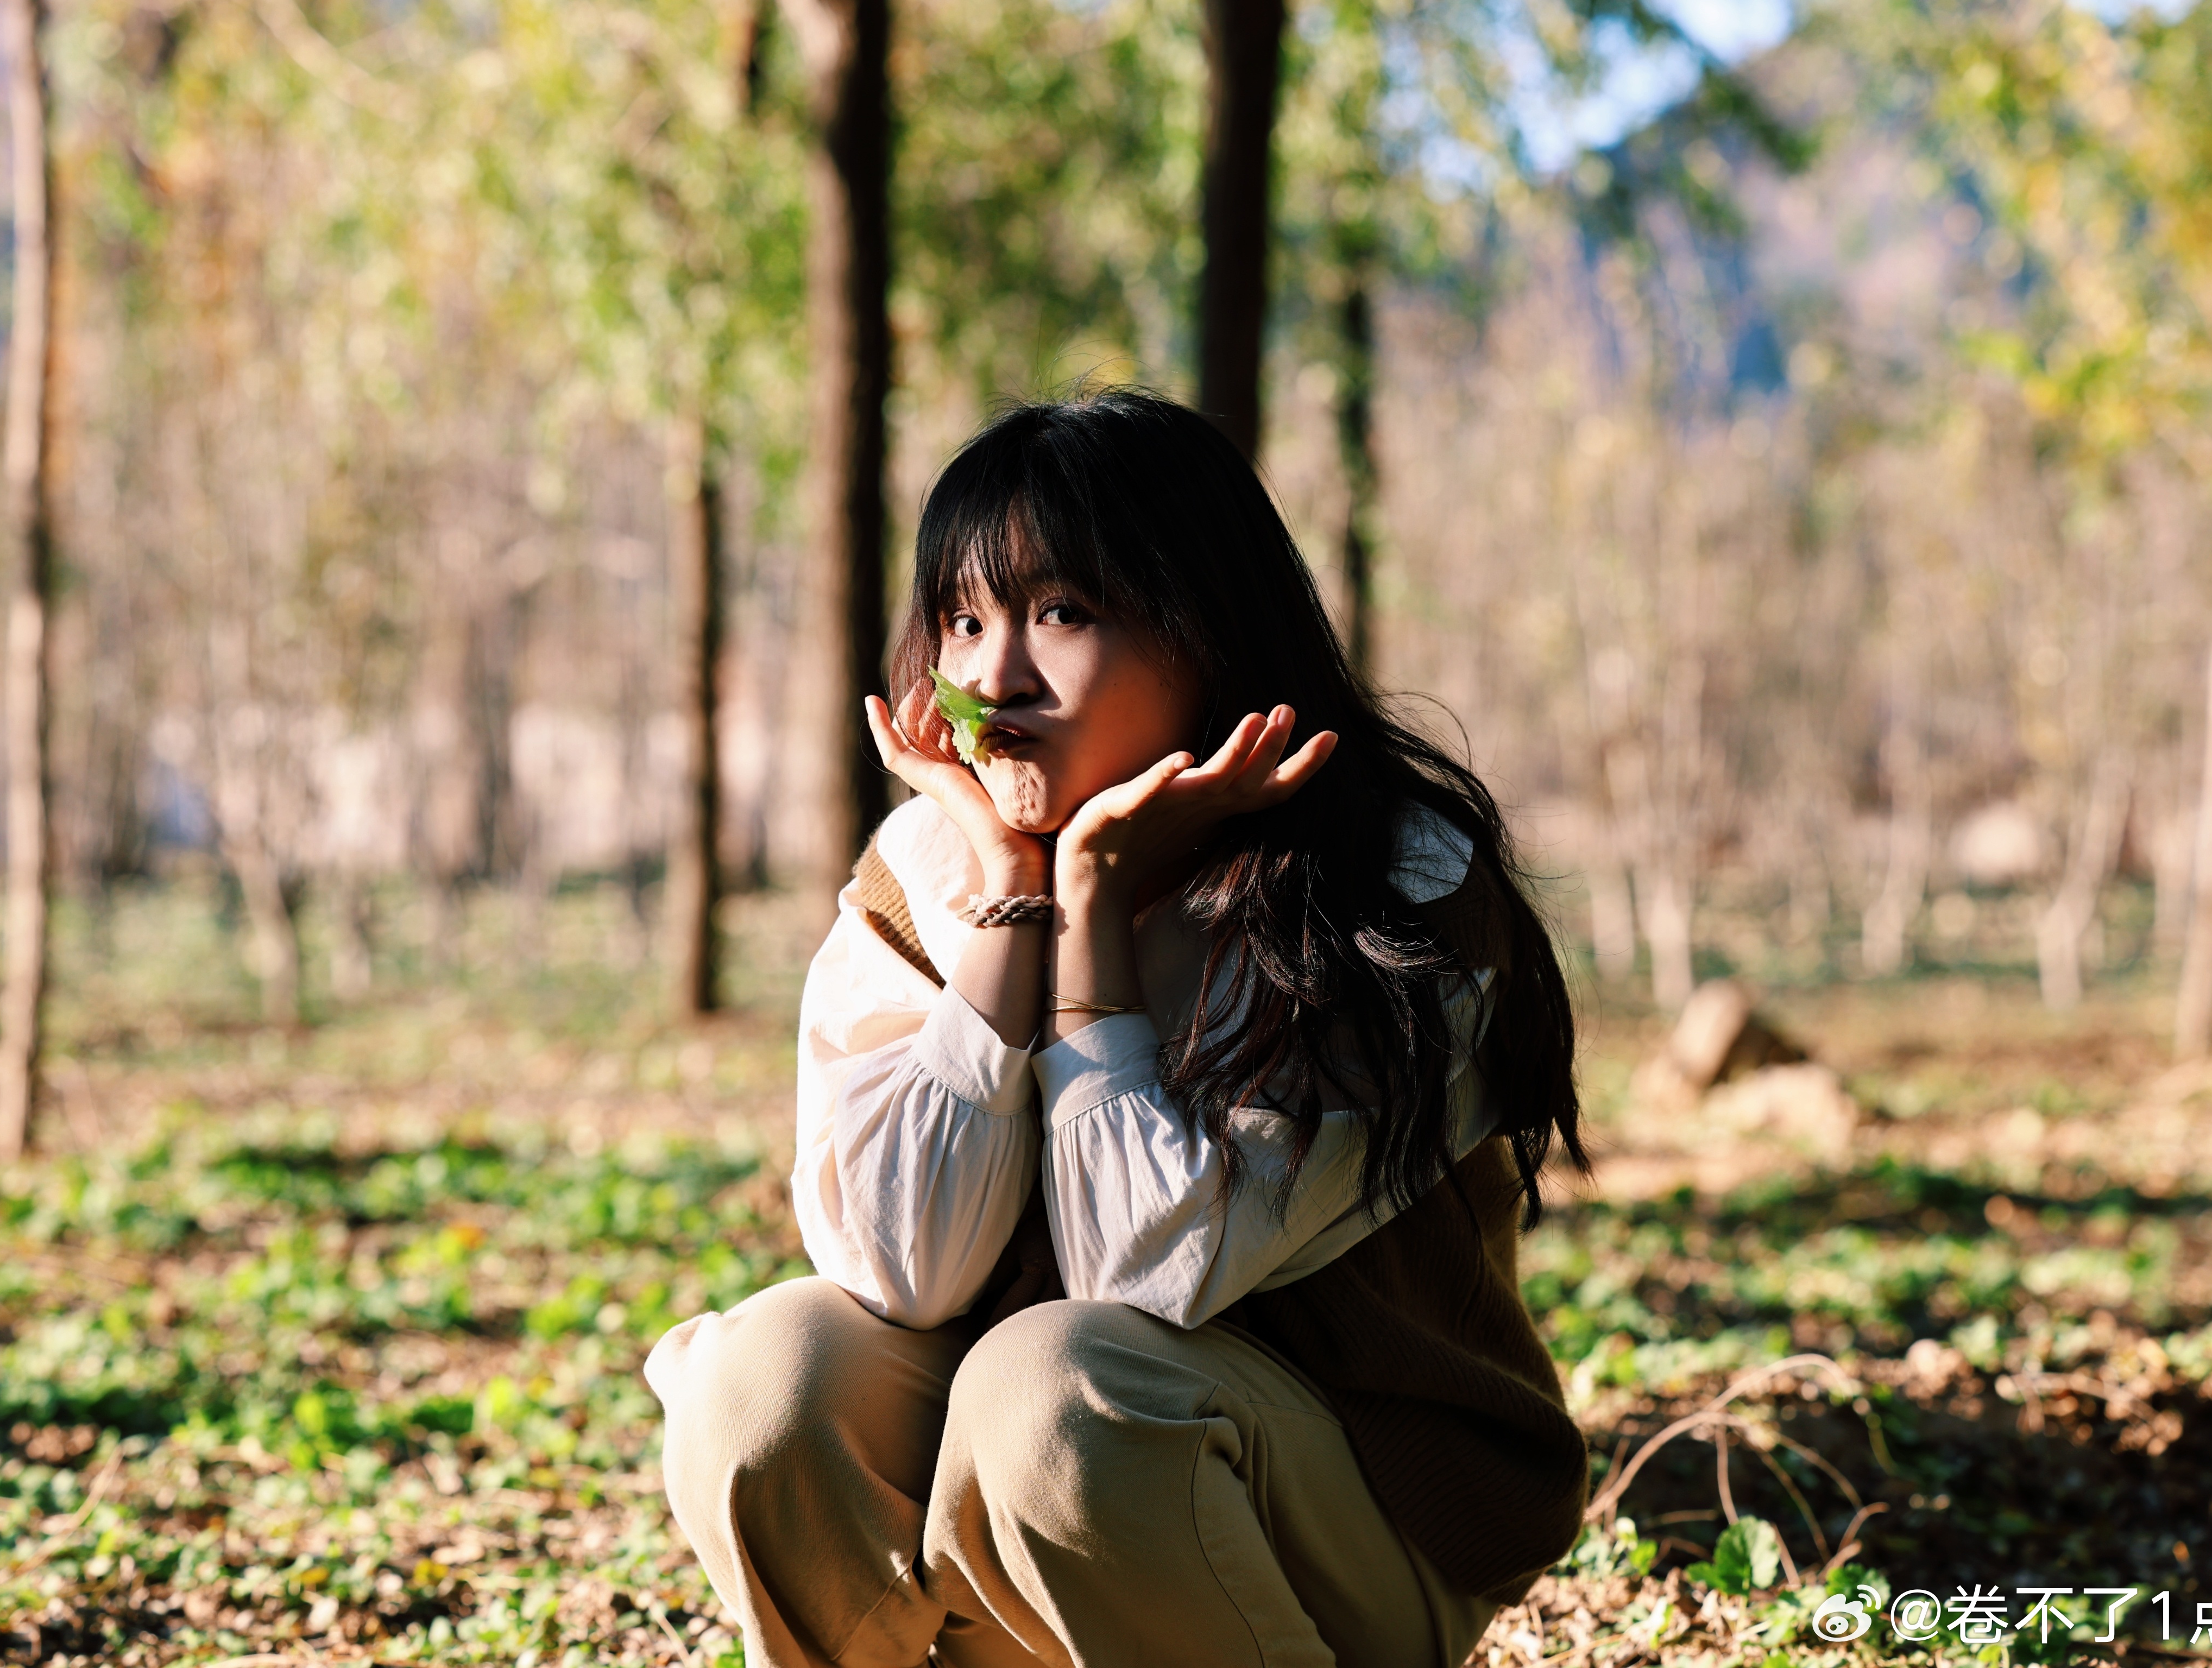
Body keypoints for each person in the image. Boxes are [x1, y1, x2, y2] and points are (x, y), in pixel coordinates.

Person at [646, 389, 1590, 1668]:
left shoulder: (1391, 893)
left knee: (1055, 1388)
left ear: (1209, 625)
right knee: (763, 1378)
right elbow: (901, 1270)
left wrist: (1089, 905)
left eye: (1063, 613)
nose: (993, 679)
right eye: (964, 621)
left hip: (1346, 1535)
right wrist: (1012, 895)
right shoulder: (929, 873)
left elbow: (1142, 1275)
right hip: (1026, 1534)